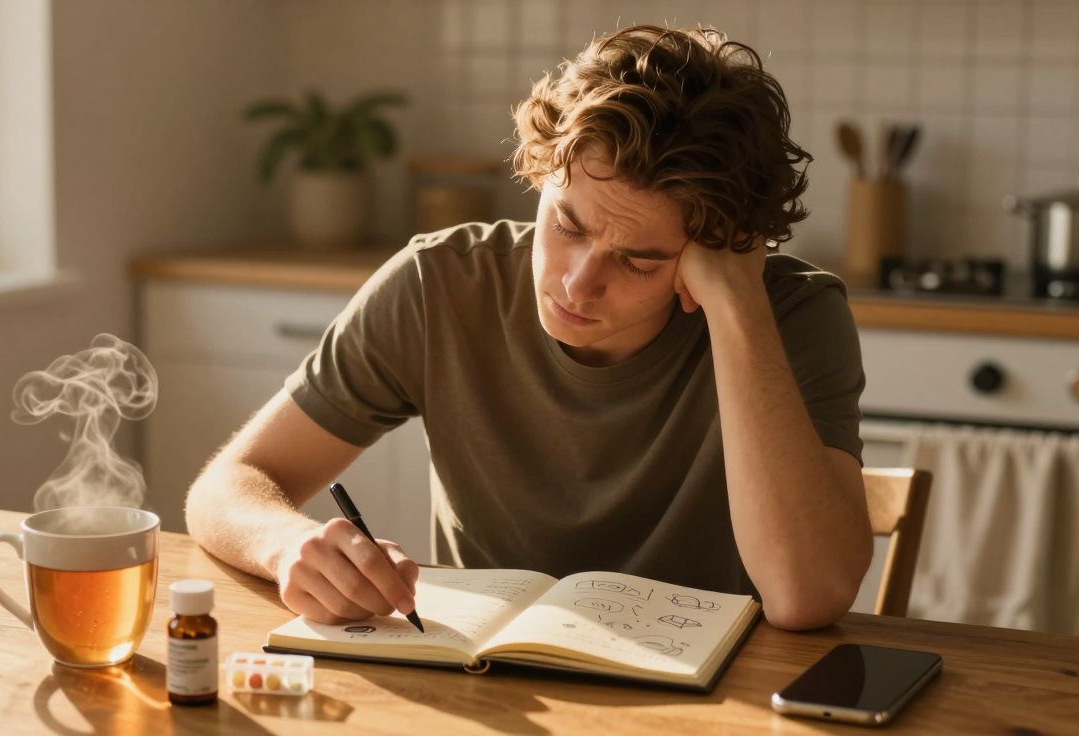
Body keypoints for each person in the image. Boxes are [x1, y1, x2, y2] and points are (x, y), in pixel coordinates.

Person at [186, 25, 872, 632]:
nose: (577, 284)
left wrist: (738, 305)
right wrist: (286, 546)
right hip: (489, 690)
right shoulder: (440, 284)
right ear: (543, 172)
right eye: (567, 225)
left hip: (718, 703)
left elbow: (804, 597)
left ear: (718, 249)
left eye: (637, 261)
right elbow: (229, 484)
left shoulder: (792, 317)